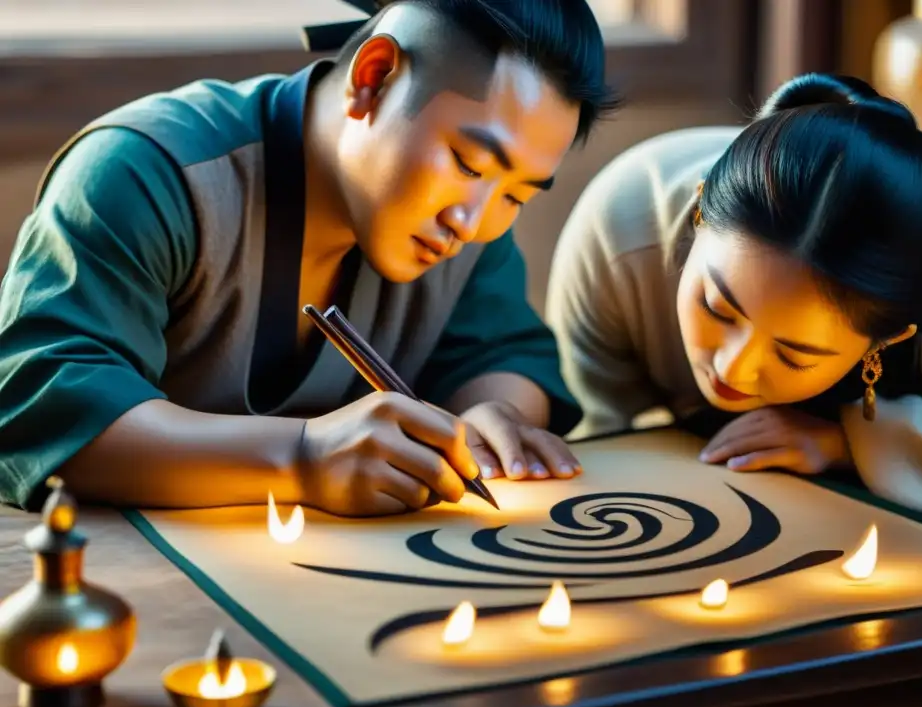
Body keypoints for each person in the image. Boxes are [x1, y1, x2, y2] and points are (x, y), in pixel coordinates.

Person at [0, 0, 618, 515]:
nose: (475, 219)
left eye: (515, 193)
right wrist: (299, 458)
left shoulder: (471, 225)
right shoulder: (147, 174)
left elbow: (501, 353)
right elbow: (44, 409)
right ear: (372, 78)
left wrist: (491, 416)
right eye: (467, 163)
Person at [547, 73, 922, 513]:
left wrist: (846, 442)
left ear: (888, 338)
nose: (732, 367)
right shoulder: (624, 224)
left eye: (795, 354)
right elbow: (594, 438)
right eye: (716, 307)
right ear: (699, 212)